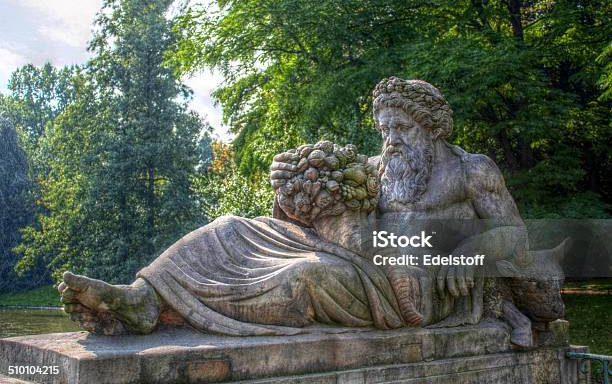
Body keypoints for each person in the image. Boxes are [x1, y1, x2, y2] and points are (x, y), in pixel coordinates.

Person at [59, 77, 529, 335]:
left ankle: (178, 310)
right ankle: (145, 295)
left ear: (431, 128)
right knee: (231, 227)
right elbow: (325, 212)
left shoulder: (471, 170)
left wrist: (473, 253)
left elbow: (517, 234)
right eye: (384, 129)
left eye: (401, 128)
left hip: (407, 286)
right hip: (350, 251)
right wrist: (292, 195)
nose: (390, 141)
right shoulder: (375, 168)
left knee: (300, 276)